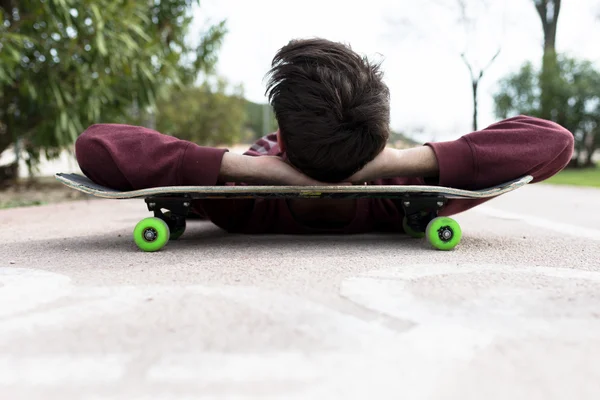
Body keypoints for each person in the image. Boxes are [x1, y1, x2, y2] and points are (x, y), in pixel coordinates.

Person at [74, 38, 574, 234]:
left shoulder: (237, 201)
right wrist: (401, 161)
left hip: (258, 171)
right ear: (379, 135)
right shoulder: (400, 198)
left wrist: (243, 167)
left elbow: (96, 145)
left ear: (281, 140)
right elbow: (554, 143)